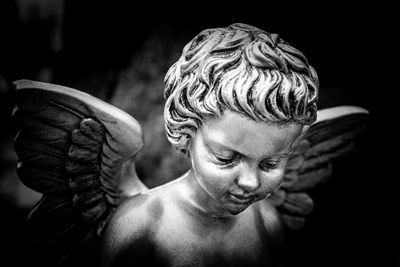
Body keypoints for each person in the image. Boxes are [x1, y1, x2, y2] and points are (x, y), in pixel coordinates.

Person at [100, 22, 319, 267]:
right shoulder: (141, 225)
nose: (251, 182)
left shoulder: (266, 222)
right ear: (186, 132)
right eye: (226, 158)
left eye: (270, 163)